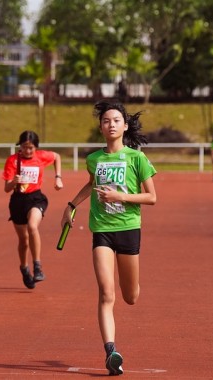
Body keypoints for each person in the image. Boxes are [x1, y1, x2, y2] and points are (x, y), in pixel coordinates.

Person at [61, 101, 157, 376]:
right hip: (101, 229)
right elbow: (91, 183)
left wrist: (121, 196)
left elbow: (152, 197)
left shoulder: (136, 158)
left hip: (128, 228)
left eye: (116, 120)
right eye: (106, 121)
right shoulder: (94, 159)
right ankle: (111, 351)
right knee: (106, 293)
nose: (111, 124)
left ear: (125, 126)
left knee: (131, 296)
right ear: (101, 127)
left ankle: (131, 295)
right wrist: (71, 205)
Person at [2, 130, 63, 289]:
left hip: (35, 198)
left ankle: (37, 266)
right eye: (24, 147)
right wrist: (14, 182)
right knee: (24, 241)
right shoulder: (13, 161)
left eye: (31, 147)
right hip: (17, 201)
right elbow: (6, 189)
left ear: (36, 147)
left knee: (32, 226)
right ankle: (24, 268)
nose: (28, 151)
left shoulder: (41, 156)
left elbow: (56, 156)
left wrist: (58, 177)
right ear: (20, 146)